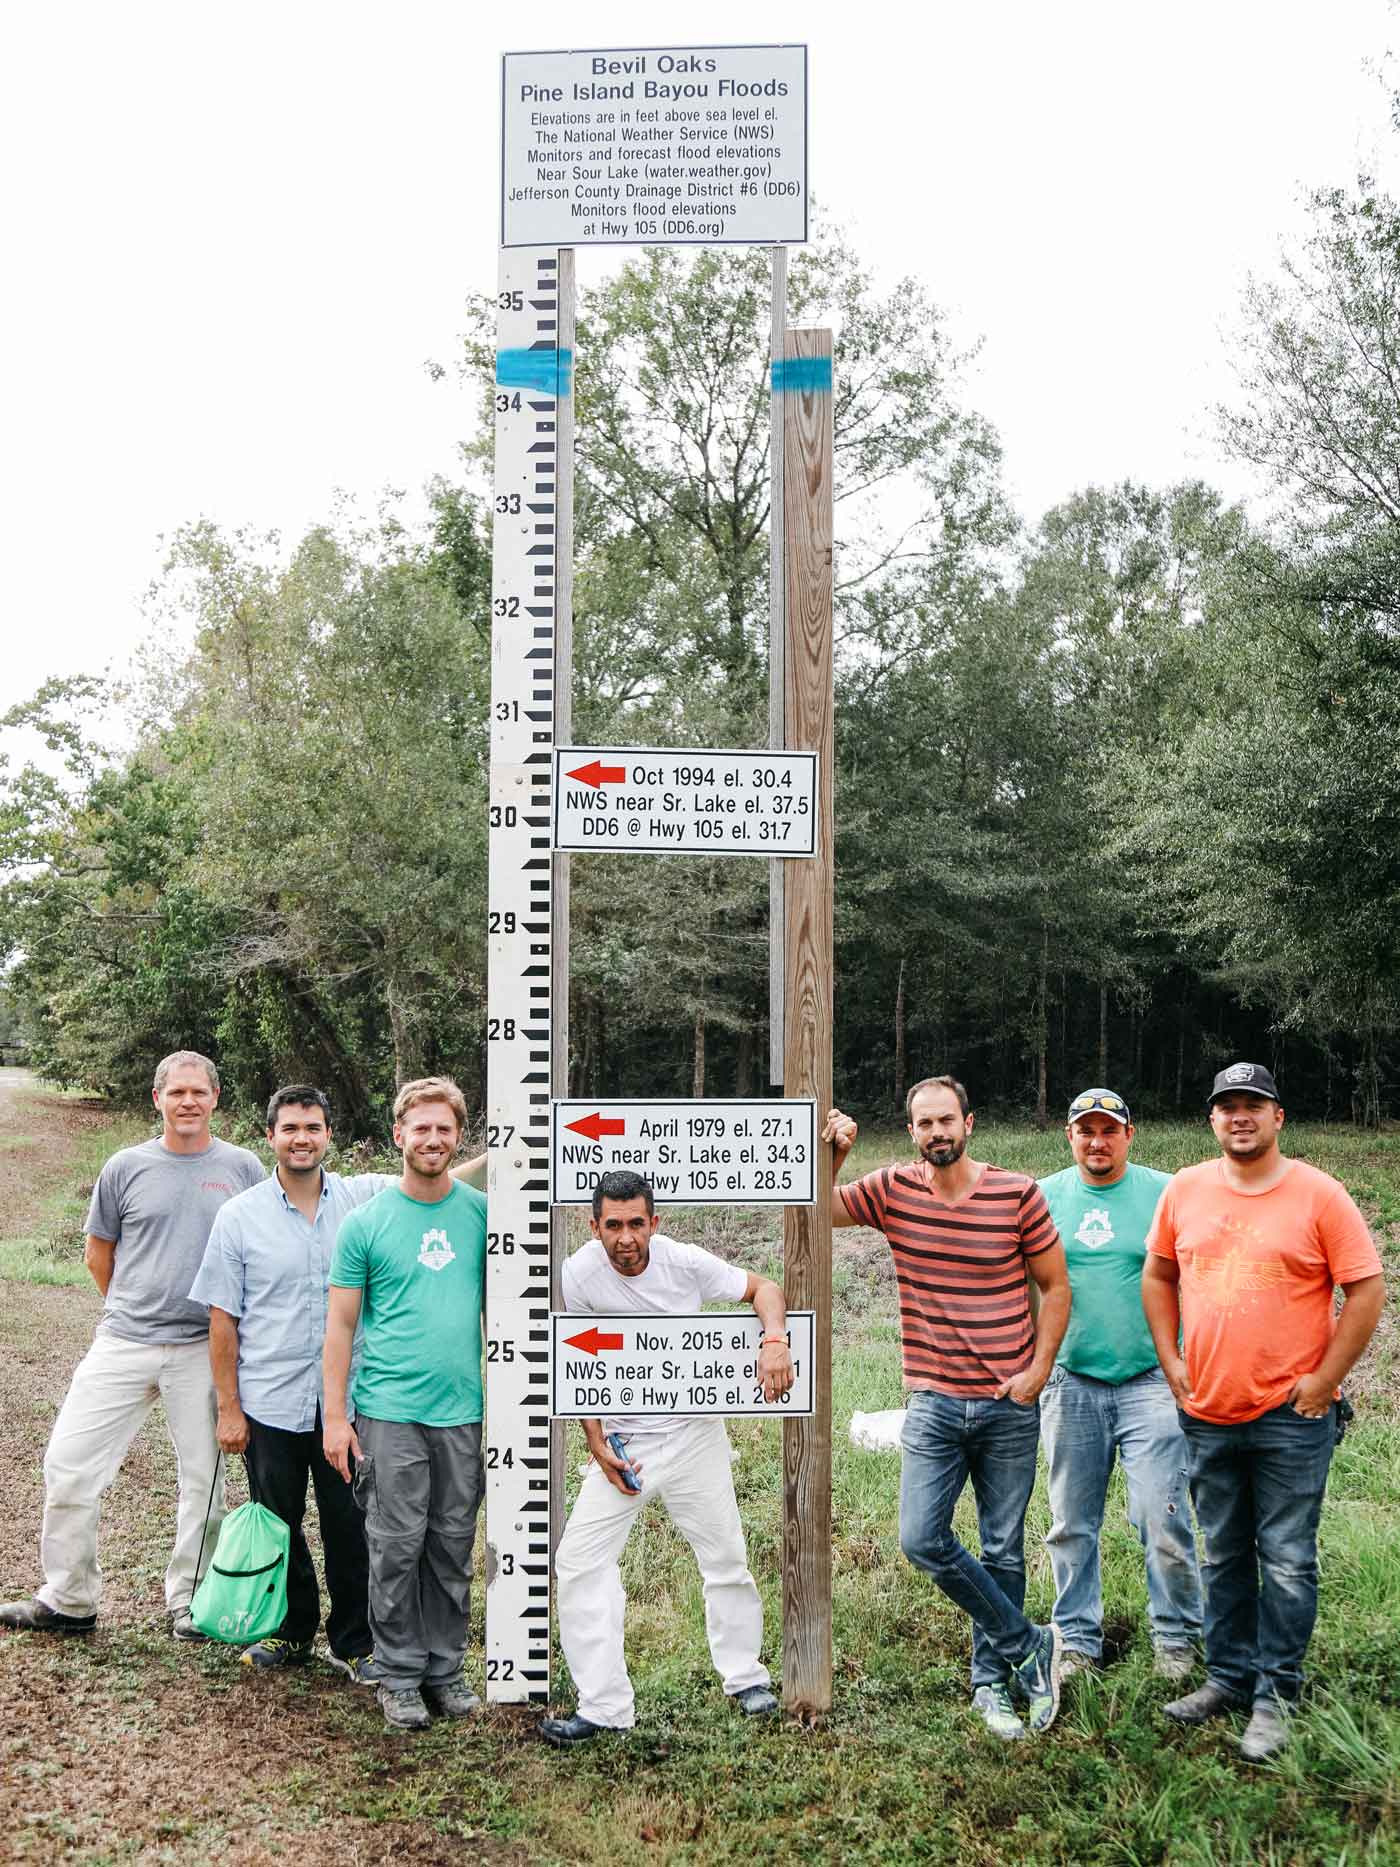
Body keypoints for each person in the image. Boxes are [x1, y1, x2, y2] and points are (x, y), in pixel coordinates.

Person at [1143, 1062, 1385, 1762]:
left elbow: (1366, 1290)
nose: (1239, 1116)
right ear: (1212, 1119)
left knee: (1283, 1558)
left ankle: (1275, 1692)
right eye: (1227, 1106)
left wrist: (1325, 1379)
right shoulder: (1185, 1190)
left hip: (1290, 1416)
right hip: (1209, 1408)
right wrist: (1172, 1360)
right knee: (1222, 1551)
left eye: (1254, 1104)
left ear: (1278, 1116)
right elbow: (1158, 1274)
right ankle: (1227, 1675)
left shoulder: (1319, 1195)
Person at [823, 1076, 1072, 1741]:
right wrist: (835, 1158)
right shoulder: (892, 1190)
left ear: (970, 1121)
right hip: (932, 1400)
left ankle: (991, 1681)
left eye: (946, 1120)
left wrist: (1039, 1371)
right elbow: (815, 1209)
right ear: (911, 1131)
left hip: (1007, 1404)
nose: (936, 1131)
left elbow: (1055, 1284)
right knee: (921, 1537)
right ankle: (1029, 1643)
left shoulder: (1017, 1193)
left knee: (1003, 1548)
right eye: (923, 1122)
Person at [0, 1052, 264, 1640]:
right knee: (68, 1466)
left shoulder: (243, 1168)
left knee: (205, 1484)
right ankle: (68, 1599)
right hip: (123, 1341)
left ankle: (189, 1603)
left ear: (216, 1098)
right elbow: (101, 1254)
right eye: (177, 1093)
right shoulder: (125, 1166)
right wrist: (136, 1305)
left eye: (199, 1092)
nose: (188, 1102)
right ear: (158, 1099)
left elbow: (261, 1249)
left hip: (203, 1348)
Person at [539, 1169, 793, 1747]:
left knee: (726, 1556)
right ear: (594, 1226)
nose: (625, 1238)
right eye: (612, 1226)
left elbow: (763, 1288)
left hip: (695, 1434)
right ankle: (604, 1706)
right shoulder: (578, 1272)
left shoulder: (682, 1261)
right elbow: (579, 1359)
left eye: (636, 1224)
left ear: (654, 1223)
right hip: (627, 1445)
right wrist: (594, 1438)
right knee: (579, 1561)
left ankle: (745, 1678)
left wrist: (773, 1340)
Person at [190, 1085, 400, 1678]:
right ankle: (291, 1630)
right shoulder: (239, 1216)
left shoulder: (363, 1201)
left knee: (350, 1526)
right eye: (290, 1129)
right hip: (269, 1402)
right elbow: (222, 1320)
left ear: (329, 1135)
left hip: (346, 1405)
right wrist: (230, 1410)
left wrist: (510, 1149)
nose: (301, 1138)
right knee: (276, 1524)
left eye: (312, 1127)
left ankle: (355, 1642)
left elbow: (430, 1176)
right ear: (271, 1138)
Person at [322, 1076, 488, 1732]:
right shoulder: (365, 1223)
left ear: (458, 1137)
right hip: (388, 1410)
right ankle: (397, 1673)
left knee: (451, 1543)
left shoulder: (480, 1215)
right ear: (398, 1135)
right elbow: (339, 1327)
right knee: (394, 1544)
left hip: (461, 1411)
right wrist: (336, 1416)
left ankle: (443, 1669)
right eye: (420, 1128)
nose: (432, 1139)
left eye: (444, 1128)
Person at [1037, 1088, 1202, 1681]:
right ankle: (1078, 1640)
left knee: (1160, 1513)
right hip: (1069, 1379)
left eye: (1109, 1129)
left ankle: (1177, 1637)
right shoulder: (1044, 1196)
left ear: (1130, 1134)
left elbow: (1203, 1270)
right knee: (1070, 1522)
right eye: (1087, 1130)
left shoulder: (1167, 1192)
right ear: (1070, 1136)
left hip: (1151, 1380)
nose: (1097, 1140)